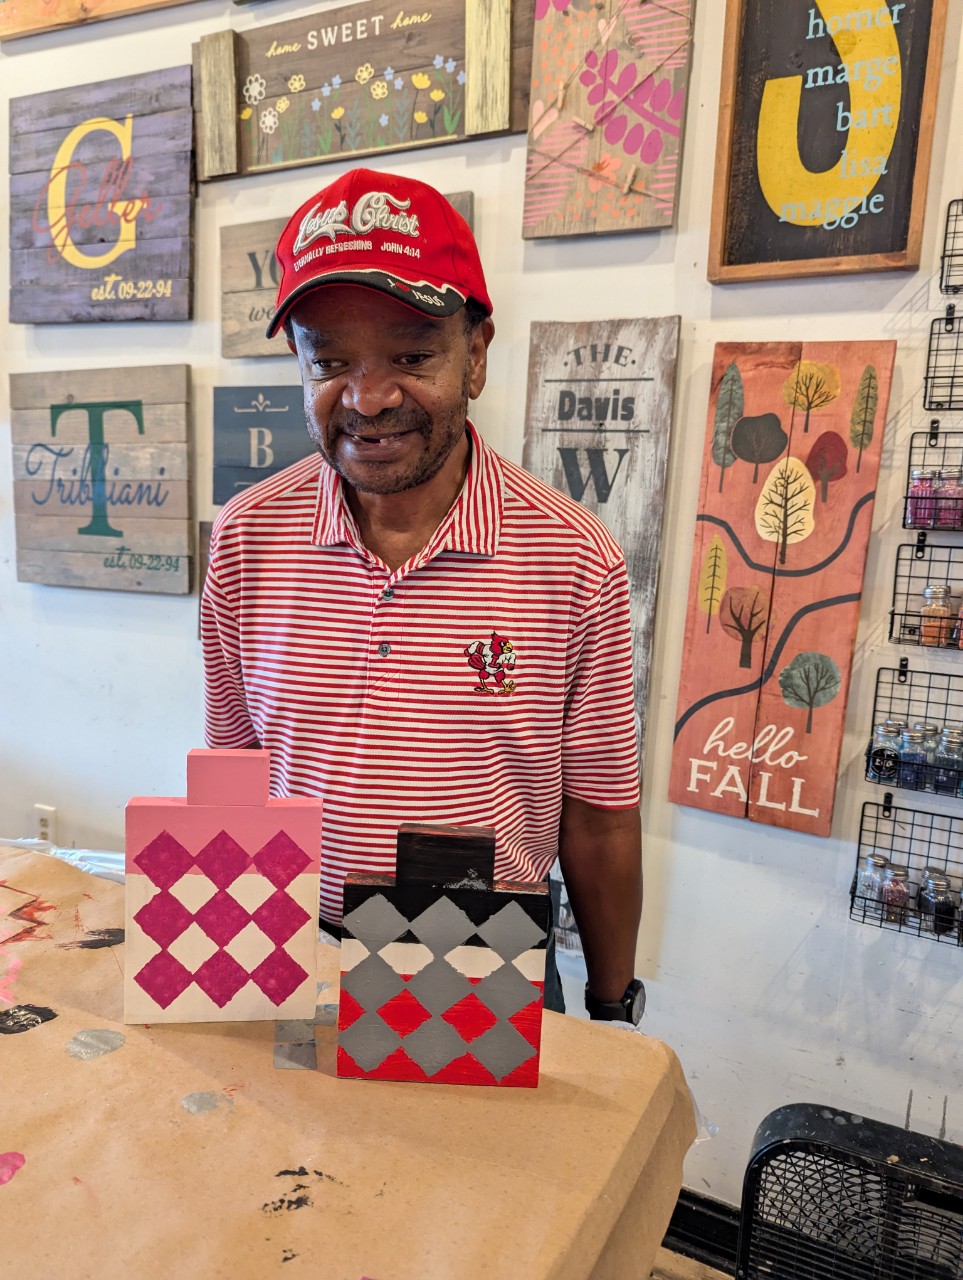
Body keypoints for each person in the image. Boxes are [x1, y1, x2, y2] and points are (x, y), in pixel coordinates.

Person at [201, 167, 644, 1023]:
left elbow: (597, 821)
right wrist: (225, 970)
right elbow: (232, 771)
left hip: (482, 957)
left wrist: (611, 1007)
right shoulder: (246, 535)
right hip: (289, 943)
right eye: (329, 360)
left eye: (410, 355)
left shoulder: (573, 559)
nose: (366, 399)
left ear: (475, 354)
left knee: (479, 1163)